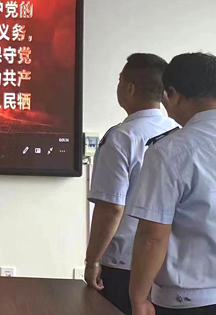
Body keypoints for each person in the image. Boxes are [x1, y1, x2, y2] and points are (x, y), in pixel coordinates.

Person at [85, 54, 179, 314]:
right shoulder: (178, 132)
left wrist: (92, 261)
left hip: (123, 264)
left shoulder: (121, 138)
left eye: (119, 81)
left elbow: (112, 208)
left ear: (128, 88)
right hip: (166, 263)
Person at [128, 53, 216, 315]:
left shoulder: (169, 150)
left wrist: (138, 297)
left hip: (189, 299)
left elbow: (152, 236)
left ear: (173, 95)